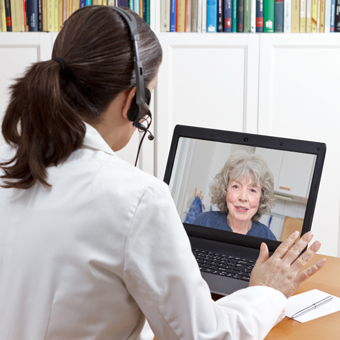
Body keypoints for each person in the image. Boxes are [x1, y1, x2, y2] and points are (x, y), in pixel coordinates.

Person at [0, 6, 326, 340]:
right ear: (134, 101)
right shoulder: (137, 198)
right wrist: (268, 291)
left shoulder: (8, 160)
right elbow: (204, 336)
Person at [194, 150, 277, 240]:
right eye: (236, 187)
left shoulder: (268, 238)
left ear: (261, 198)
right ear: (225, 190)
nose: (243, 198)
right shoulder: (204, 222)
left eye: (252, 190)